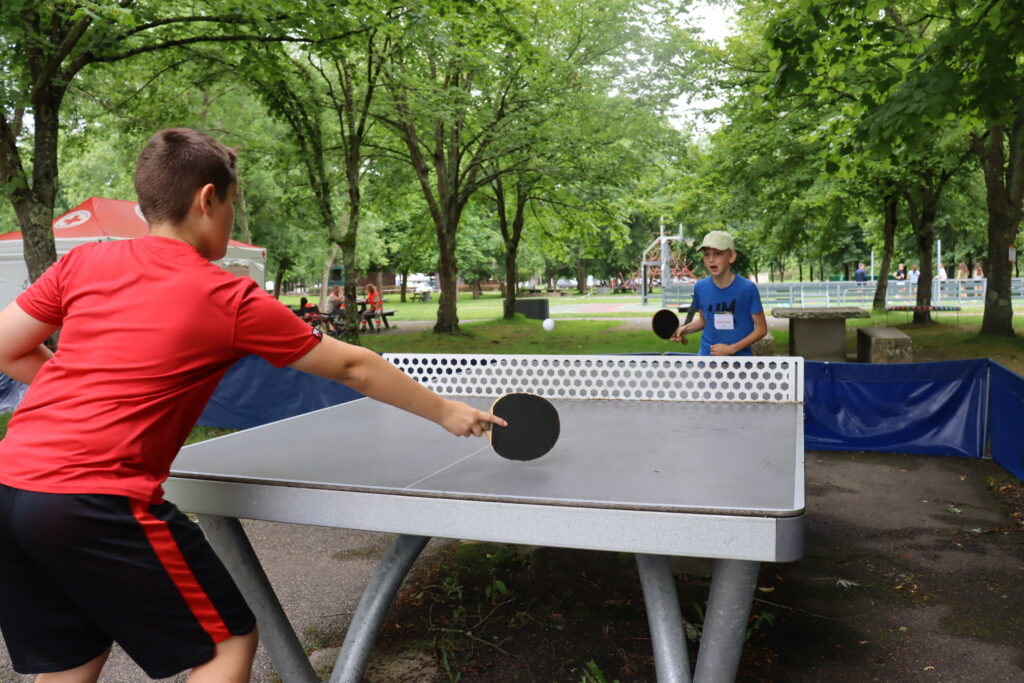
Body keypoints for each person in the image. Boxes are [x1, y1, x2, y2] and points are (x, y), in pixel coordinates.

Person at [0, 128, 502, 682]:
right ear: (207, 199)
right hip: (93, 499)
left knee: (73, 658)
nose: (233, 218)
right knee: (226, 644)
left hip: (11, 490)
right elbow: (354, 366)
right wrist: (446, 411)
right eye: (234, 205)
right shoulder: (226, 296)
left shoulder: (83, 265)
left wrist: (80, 389)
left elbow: (6, 345)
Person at [670, 230, 767, 356]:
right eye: (706, 254)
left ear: (731, 257)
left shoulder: (747, 288)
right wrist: (685, 329)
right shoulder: (700, 287)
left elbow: (761, 329)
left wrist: (731, 349)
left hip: (740, 364)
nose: (711, 260)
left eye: (717, 254)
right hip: (707, 361)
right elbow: (705, 320)